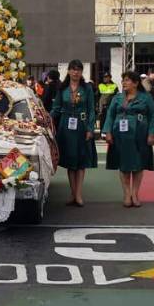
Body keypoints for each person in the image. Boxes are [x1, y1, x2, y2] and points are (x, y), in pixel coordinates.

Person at [102, 70, 154, 208]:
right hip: (120, 134)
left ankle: (135, 193)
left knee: (138, 164)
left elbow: (153, 115)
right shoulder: (117, 98)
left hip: (140, 134)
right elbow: (110, 115)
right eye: (123, 80)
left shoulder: (145, 98)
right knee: (124, 164)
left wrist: (152, 133)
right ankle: (127, 194)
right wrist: (107, 132)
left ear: (135, 83)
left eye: (127, 80)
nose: (124, 83)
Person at [51, 60, 97, 207]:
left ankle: (78, 194)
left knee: (81, 161)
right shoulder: (62, 88)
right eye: (73, 69)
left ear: (82, 72)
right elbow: (56, 108)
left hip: (82, 125)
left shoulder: (87, 88)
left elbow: (91, 110)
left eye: (79, 70)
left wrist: (90, 129)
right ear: (69, 71)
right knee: (71, 162)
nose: (76, 72)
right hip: (66, 126)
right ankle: (73, 194)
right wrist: (46, 119)